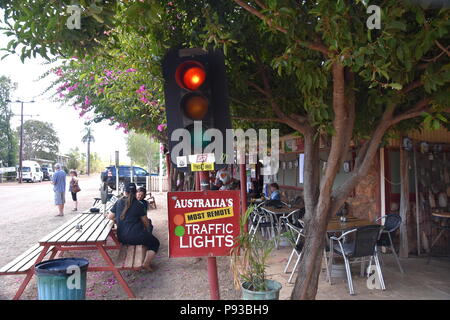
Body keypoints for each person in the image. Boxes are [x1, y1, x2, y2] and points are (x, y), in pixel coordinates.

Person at [107, 183, 159, 271]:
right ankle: (146, 263)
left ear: (124, 192)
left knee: (145, 239)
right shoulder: (139, 205)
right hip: (136, 237)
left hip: (122, 237)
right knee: (155, 243)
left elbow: (110, 217)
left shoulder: (118, 202)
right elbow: (146, 222)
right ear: (135, 192)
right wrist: (147, 230)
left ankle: (143, 260)